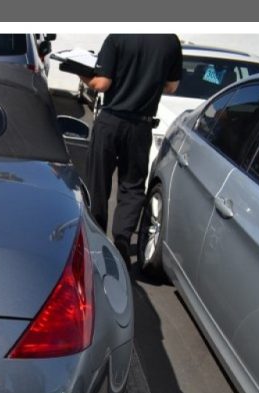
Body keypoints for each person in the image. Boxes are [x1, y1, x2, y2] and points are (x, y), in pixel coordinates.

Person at [80, 34, 182, 263]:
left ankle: (95, 241)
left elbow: (102, 83)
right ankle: (123, 241)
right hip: (141, 125)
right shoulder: (170, 41)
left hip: (111, 120)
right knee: (132, 186)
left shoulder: (117, 38)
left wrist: (79, 72)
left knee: (98, 182)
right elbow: (172, 86)